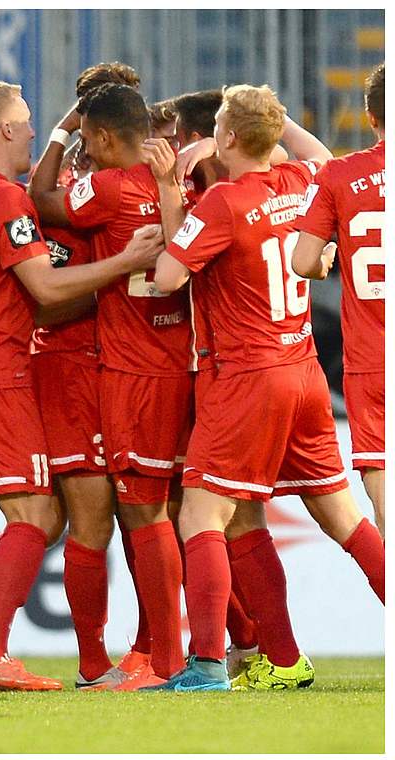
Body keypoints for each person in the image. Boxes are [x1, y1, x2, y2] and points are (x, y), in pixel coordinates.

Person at [151, 84, 384, 691]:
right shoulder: (304, 183)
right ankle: (282, 660)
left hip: (246, 377)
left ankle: (204, 667)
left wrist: (169, 196)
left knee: (201, 513)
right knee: (332, 519)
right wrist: (269, 124)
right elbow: (326, 157)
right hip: (304, 372)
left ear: (226, 137)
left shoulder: (224, 202)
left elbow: (168, 276)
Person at [0, 79, 162, 691]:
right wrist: (126, 265)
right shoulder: (12, 202)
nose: (37, 131)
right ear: (6, 130)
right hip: (9, 374)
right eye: (28, 121)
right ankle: (2, 655)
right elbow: (45, 291)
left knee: (42, 513)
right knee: (44, 513)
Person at [27, 82, 189, 689]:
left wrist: (59, 133)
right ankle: (164, 658)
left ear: (100, 136)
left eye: (90, 138)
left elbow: (42, 201)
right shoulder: (181, 185)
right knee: (162, 512)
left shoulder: (110, 187)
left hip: (130, 371)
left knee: (141, 514)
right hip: (183, 363)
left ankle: (166, 664)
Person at [293, 63, 385, 539]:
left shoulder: (340, 175)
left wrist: (331, 251)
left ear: (370, 118)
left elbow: (304, 262)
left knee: (385, 501)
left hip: (373, 360)